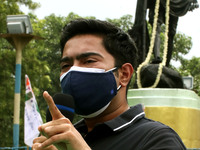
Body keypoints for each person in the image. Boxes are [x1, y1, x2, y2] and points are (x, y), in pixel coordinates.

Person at [32, 18, 186, 150]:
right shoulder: (64, 138)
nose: (73, 71)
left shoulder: (157, 138)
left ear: (124, 74)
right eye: (66, 65)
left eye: (89, 61)